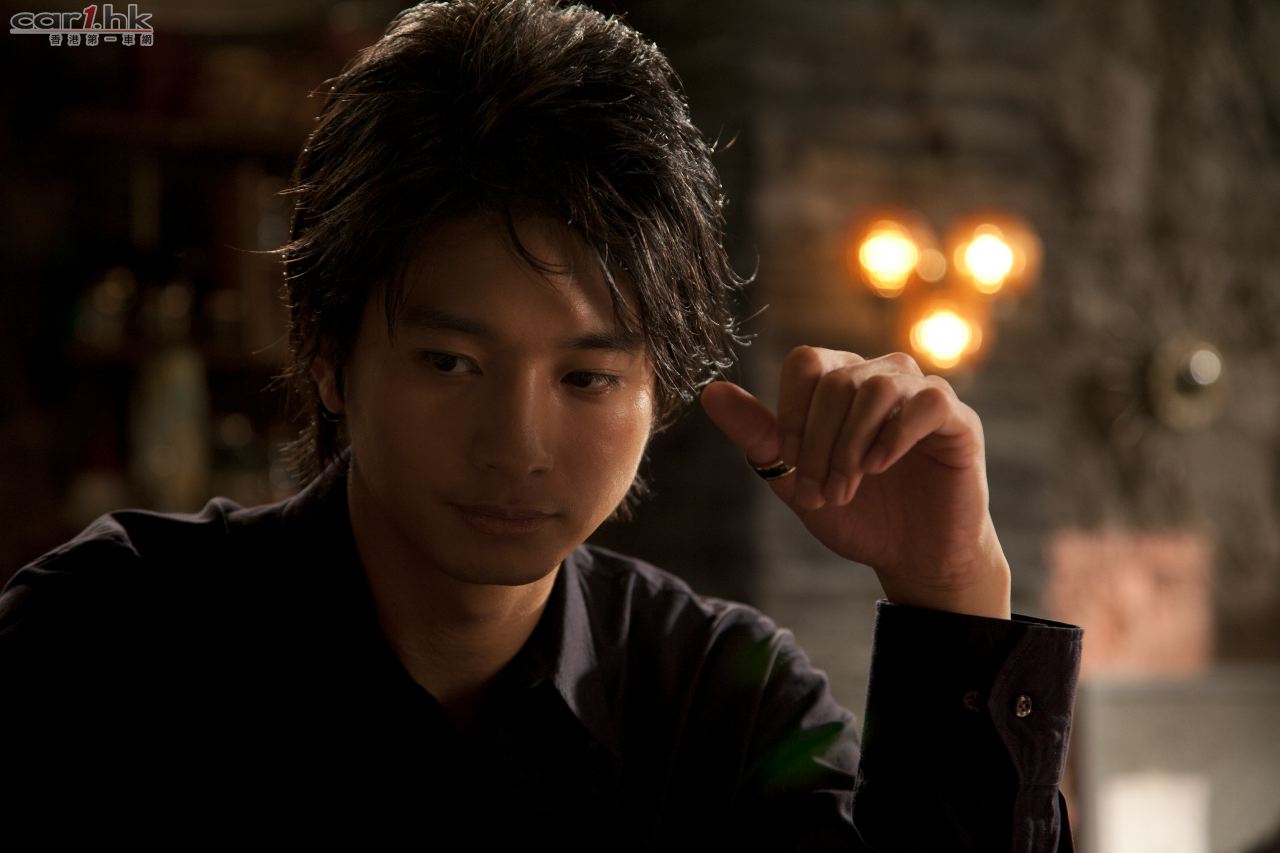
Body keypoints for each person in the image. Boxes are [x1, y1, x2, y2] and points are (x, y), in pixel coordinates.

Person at [0, 0, 1083, 848]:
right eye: (449, 362)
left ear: (661, 388)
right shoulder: (109, 635)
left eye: (586, 377)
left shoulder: (720, 700)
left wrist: (950, 590)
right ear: (326, 350)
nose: (516, 444)